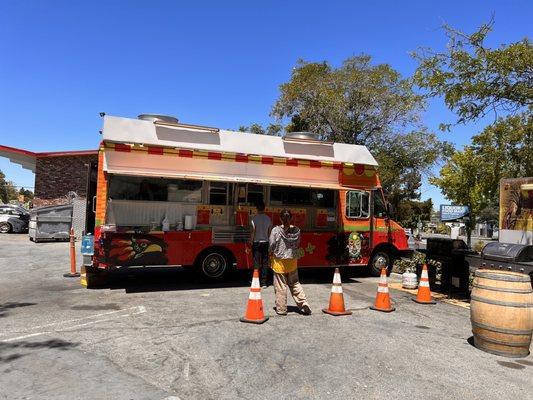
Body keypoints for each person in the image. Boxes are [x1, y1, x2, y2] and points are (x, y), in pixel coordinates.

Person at [269, 209, 311, 315]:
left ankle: (281, 309)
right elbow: (297, 245)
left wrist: (271, 253)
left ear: (280, 218)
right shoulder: (297, 230)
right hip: (292, 262)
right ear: (291, 218)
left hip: (279, 263)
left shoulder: (276, 230)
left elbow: (271, 245)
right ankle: (303, 303)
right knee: (295, 283)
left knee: (280, 286)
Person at [250, 200, 272, 288]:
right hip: (266, 242)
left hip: (256, 242)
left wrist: (251, 240)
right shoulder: (268, 218)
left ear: (257, 209)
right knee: (265, 262)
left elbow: (253, 231)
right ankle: (264, 283)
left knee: (256, 262)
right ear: (264, 208)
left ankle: (256, 281)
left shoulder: (254, 218)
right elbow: (270, 231)